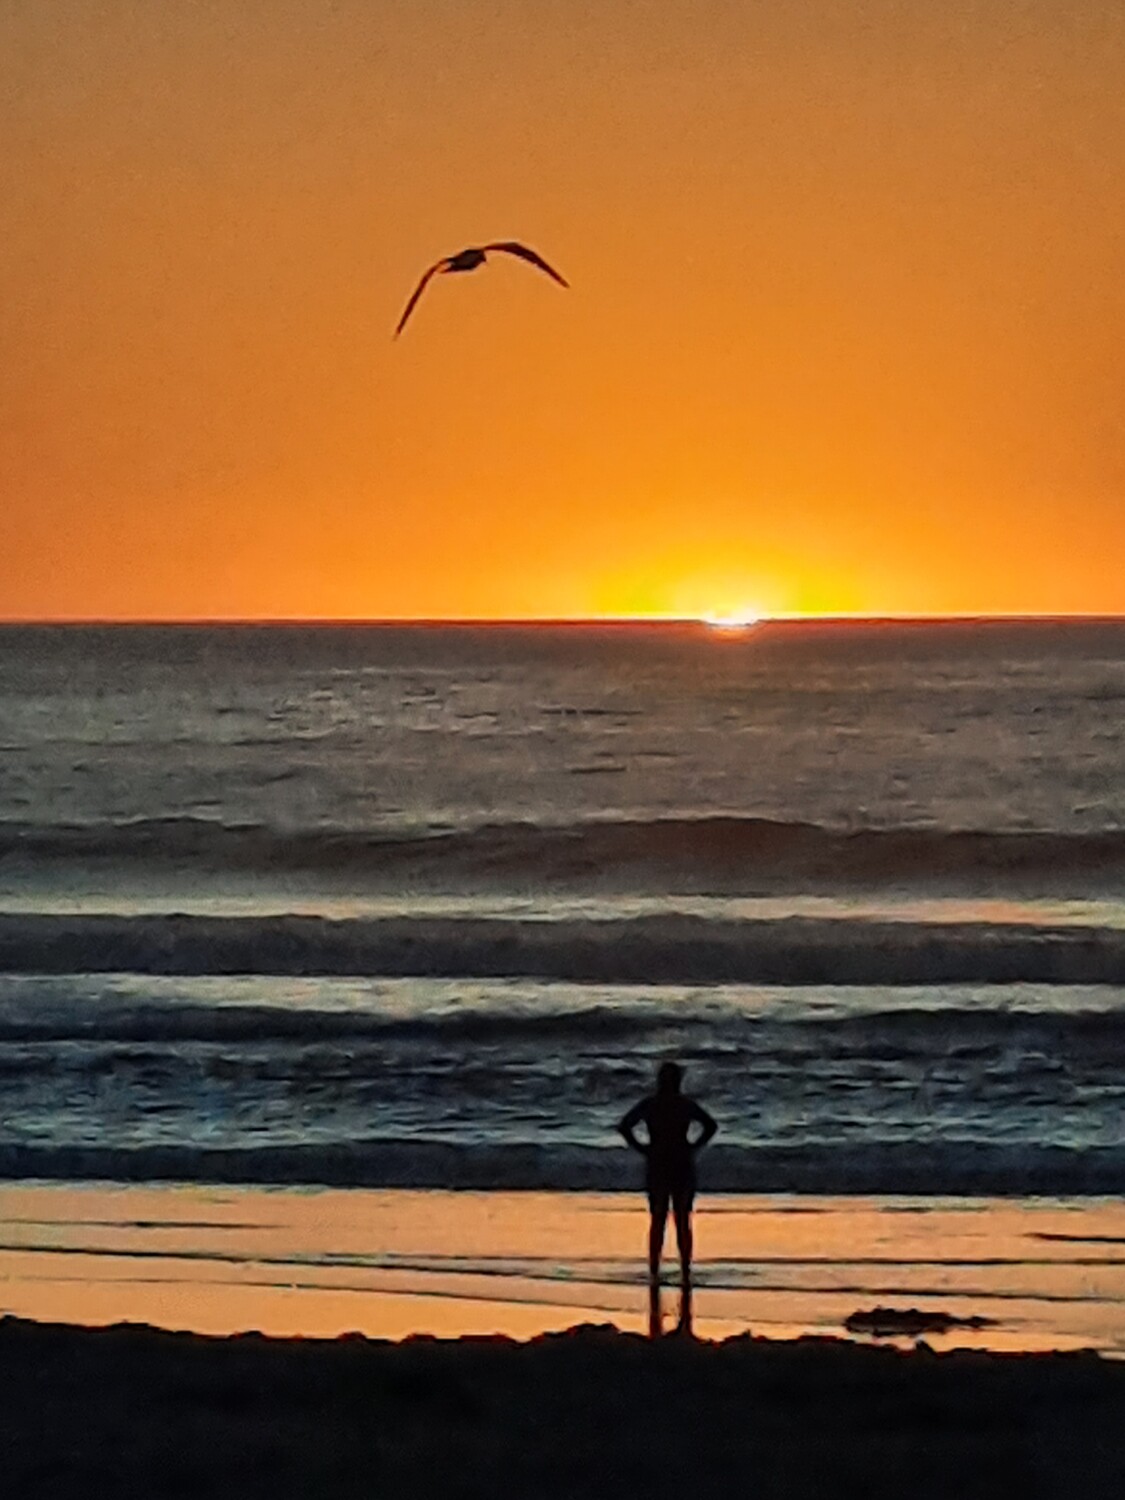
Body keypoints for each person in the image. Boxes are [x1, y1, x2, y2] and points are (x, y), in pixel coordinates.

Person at [618, 1061, 717, 1289]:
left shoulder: (651, 1105)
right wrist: (694, 1146)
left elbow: (625, 1126)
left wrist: (642, 1147)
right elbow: (710, 1126)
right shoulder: (683, 1104)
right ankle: (684, 1270)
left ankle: (655, 1269)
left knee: (659, 1219)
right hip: (681, 1161)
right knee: (682, 1219)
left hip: (658, 1161)